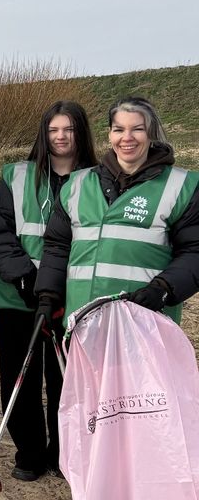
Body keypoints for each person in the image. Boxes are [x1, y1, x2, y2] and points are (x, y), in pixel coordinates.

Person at [0, 101, 97, 481]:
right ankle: (29, 452)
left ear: (81, 133)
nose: (61, 137)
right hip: (17, 296)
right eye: (53, 130)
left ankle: (63, 453)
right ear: (43, 134)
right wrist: (26, 279)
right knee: (20, 376)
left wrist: (59, 288)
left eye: (69, 129)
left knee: (67, 379)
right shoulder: (17, 178)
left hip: (72, 299)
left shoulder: (98, 181)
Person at [37, 96, 199, 330]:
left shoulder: (182, 186)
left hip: (146, 326)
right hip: (83, 323)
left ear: (151, 133)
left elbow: (194, 251)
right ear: (109, 134)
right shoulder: (77, 184)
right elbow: (57, 246)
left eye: (137, 129)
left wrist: (163, 289)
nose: (127, 138)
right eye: (119, 129)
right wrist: (48, 296)